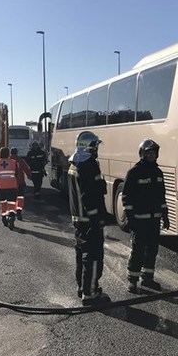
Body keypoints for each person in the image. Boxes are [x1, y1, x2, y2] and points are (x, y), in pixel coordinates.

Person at [67, 131, 109, 306]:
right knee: (92, 256)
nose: (97, 149)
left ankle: (83, 287)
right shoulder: (87, 165)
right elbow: (89, 196)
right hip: (88, 221)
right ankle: (90, 294)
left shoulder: (75, 163)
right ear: (89, 147)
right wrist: (96, 219)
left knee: (81, 255)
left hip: (79, 220)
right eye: (95, 146)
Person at [122, 139, 170, 294]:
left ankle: (148, 279)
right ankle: (132, 281)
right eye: (149, 153)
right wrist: (130, 218)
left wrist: (165, 215)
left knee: (152, 250)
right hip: (139, 220)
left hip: (154, 220)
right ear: (142, 154)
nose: (152, 155)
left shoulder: (158, 172)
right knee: (138, 250)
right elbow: (127, 197)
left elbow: (161, 196)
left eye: (154, 153)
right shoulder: (134, 172)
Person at [0, 147, 23, 230]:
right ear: (8, 154)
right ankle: (11, 217)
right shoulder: (14, 162)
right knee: (11, 203)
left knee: (3, 203)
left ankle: (4, 218)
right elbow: (17, 173)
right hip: (12, 186)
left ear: (0, 153)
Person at [10, 147, 32, 220]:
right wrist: (29, 176)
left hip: (10, 183)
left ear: (10, 152)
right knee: (20, 198)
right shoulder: (20, 160)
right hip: (20, 182)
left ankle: (11, 212)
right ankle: (18, 212)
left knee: (11, 198)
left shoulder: (7, 161)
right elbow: (26, 169)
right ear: (17, 152)